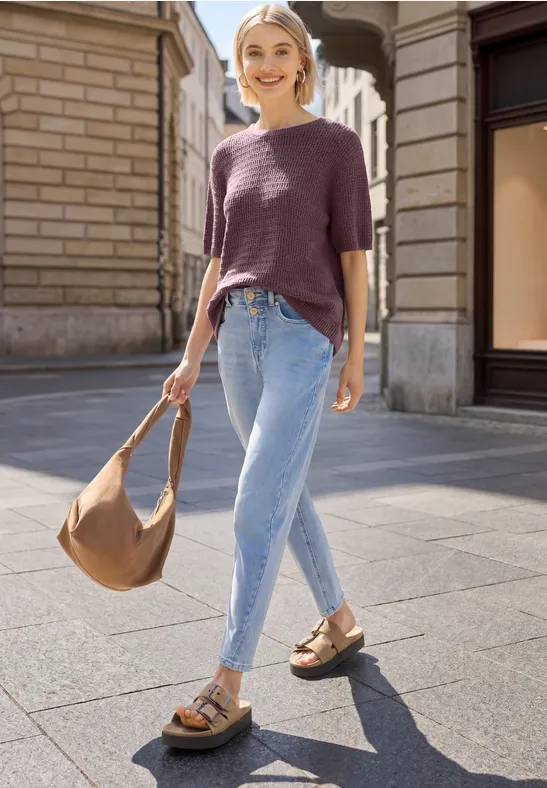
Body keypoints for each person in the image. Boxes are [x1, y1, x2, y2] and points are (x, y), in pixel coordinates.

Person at [161, 3, 372, 751]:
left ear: (302, 61)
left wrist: (351, 355)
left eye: (281, 49)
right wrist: (191, 353)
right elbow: (219, 262)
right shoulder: (227, 154)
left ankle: (225, 684)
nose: (267, 63)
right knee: (282, 486)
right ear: (241, 65)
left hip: (301, 334)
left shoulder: (336, 145)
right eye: (252, 52)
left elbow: (353, 254)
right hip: (235, 334)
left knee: (256, 501)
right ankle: (340, 622)